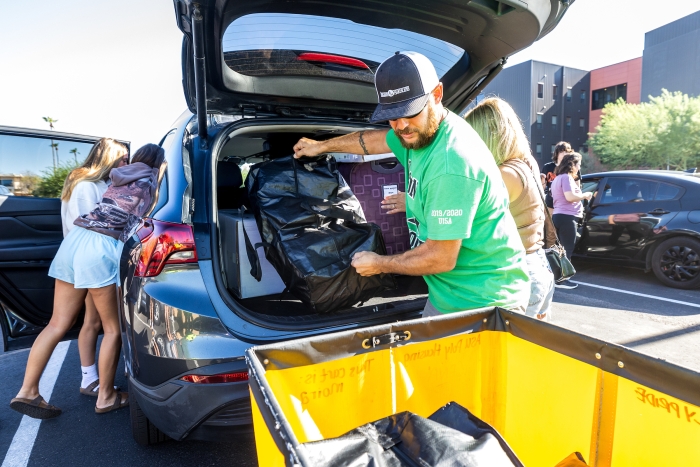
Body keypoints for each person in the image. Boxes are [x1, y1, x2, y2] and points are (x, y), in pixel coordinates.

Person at [293, 51, 529, 315]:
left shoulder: (452, 164)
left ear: (437, 94)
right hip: (450, 294)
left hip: (483, 302)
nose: (402, 125)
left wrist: (380, 263)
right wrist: (322, 146)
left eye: (410, 112)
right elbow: (376, 141)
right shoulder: (418, 135)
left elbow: (441, 257)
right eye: (392, 115)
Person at [10, 144, 164, 419]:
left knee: (57, 323)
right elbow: (147, 221)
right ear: (158, 164)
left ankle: (27, 391)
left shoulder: (117, 177)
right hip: (101, 248)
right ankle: (106, 396)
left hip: (75, 241)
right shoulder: (149, 181)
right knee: (113, 329)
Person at [464, 97, 555, 321]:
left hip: (519, 272)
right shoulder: (527, 163)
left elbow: (468, 219)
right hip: (539, 265)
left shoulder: (504, 175)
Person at [59, 138, 129, 397]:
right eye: (122, 158)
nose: (126, 163)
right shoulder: (90, 186)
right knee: (106, 325)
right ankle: (98, 387)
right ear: (108, 159)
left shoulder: (82, 183)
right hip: (94, 260)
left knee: (92, 321)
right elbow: (95, 227)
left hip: (82, 258)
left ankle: (90, 378)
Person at [550, 152, 592, 290]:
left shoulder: (557, 178)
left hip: (558, 216)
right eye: (578, 164)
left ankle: (557, 277)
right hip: (567, 217)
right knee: (567, 249)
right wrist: (585, 195)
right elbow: (569, 197)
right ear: (572, 164)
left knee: (560, 249)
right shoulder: (566, 178)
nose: (579, 167)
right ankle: (563, 280)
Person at [541, 141, 572, 213]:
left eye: (567, 152)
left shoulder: (572, 168)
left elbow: (577, 187)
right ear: (557, 153)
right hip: (550, 203)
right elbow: (542, 188)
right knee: (550, 224)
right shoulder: (547, 167)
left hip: (567, 205)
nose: (564, 154)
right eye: (562, 152)